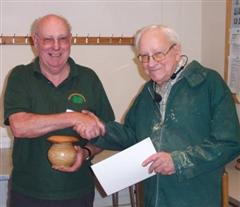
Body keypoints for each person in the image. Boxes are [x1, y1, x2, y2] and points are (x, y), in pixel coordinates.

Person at [63, 25, 240, 207]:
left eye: (158, 54)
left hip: (195, 199)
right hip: (153, 199)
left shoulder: (208, 84)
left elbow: (230, 143)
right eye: (144, 57)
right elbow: (131, 135)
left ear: (177, 51)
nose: (151, 63)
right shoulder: (148, 91)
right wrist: (99, 129)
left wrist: (178, 161)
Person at [3, 14, 114, 207]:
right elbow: (20, 126)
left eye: (62, 39)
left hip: (78, 191)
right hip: (28, 193)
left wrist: (87, 151)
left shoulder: (89, 78)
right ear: (35, 42)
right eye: (48, 39)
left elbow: (105, 132)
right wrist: (74, 118)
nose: (56, 46)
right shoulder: (20, 77)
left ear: (70, 40)